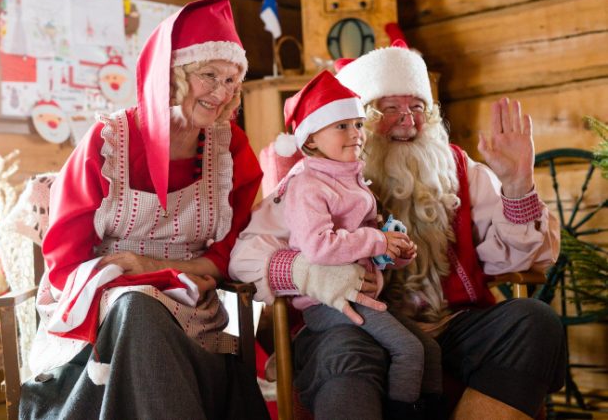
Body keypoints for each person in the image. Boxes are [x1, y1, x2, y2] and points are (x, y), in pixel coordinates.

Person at [229, 45, 565, 420]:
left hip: (448, 324)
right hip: (350, 323)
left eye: (418, 107)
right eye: (389, 109)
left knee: (534, 322)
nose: (408, 121)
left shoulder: (456, 167)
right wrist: (307, 271)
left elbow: (524, 260)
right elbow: (245, 256)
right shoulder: (309, 181)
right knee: (345, 354)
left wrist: (518, 186)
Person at [20, 0, 268, 420]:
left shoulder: (232, 150)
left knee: (144, 312)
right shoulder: (108, 140)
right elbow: (64, 258)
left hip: (193, 312)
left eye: (232, 79)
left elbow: (231, 254)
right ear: (173, 74)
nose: (222, 92)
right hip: (102, 308)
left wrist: (151, 267)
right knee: (137, 310)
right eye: (209, 76)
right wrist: (125, 279)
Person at [272, 70, 441, 408]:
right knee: (407, 350)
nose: (356, 134)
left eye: (358, 124)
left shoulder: (351, 178)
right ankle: (404, 414)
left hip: (361, 292)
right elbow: (319, 247)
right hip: (328, 302)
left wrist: (394, 250)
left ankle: (429, 411)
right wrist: (376, 239)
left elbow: (365, 249)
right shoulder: (309, 185)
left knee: (431, 350)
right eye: (341, 126)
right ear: (311, 139)